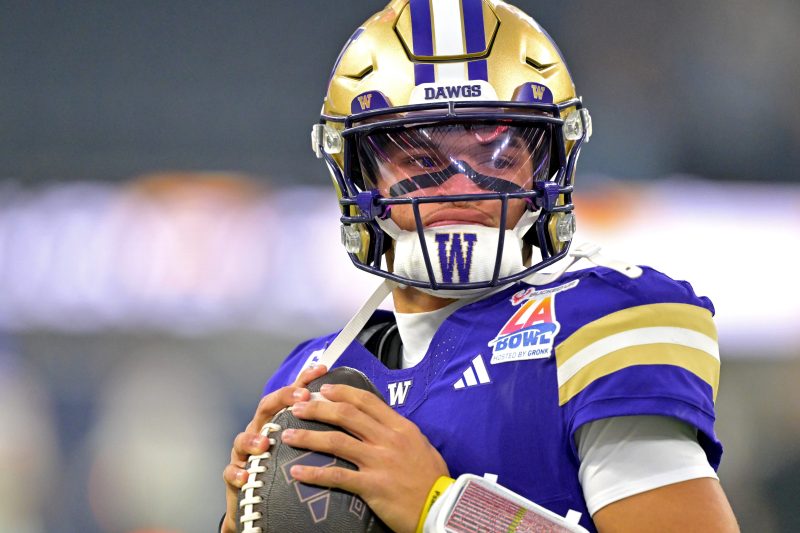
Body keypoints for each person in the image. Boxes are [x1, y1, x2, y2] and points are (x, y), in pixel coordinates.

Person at [222, 1, 739, 531]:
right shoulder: (313, 373)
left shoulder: (601, 320)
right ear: (360, 177)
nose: (462, 187)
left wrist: (442, 508)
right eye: (420, 161)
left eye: (498, 157)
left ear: (545, 173)